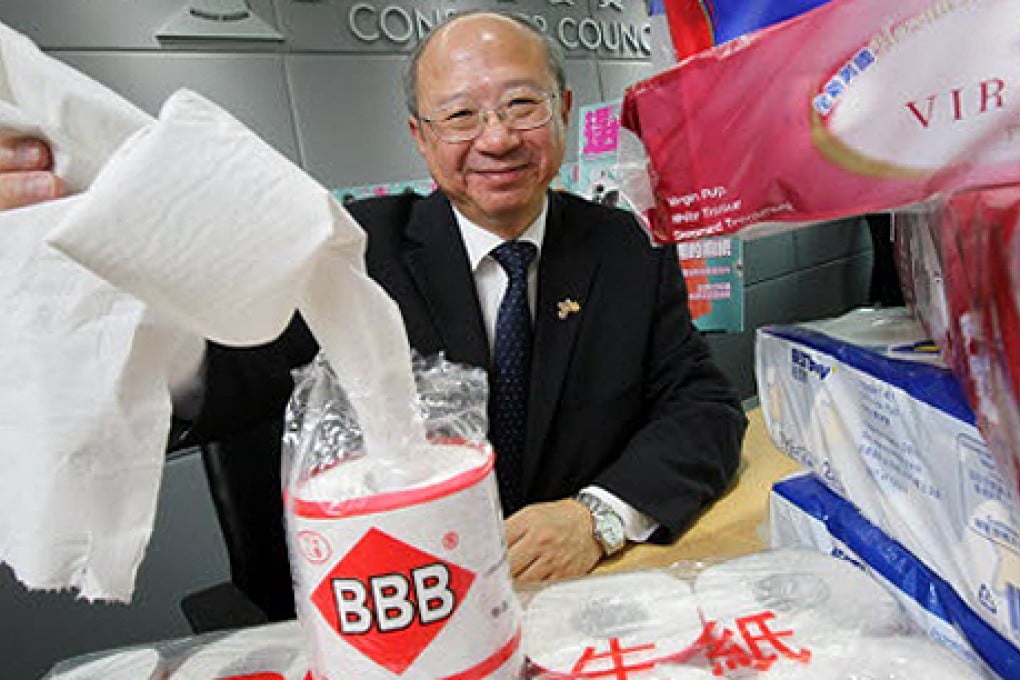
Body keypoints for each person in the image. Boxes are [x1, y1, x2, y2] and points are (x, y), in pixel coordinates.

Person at [0, 11, 745, 588]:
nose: (496, 139)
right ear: (419, 137)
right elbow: (224, 374)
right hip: (389, 601)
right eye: (459, 116)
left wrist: (599, 517)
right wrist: (80, 257)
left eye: (521, 104)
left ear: (563, 109)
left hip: (587, 590)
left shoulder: (625, 246)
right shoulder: (349, 249)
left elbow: (702, 406)